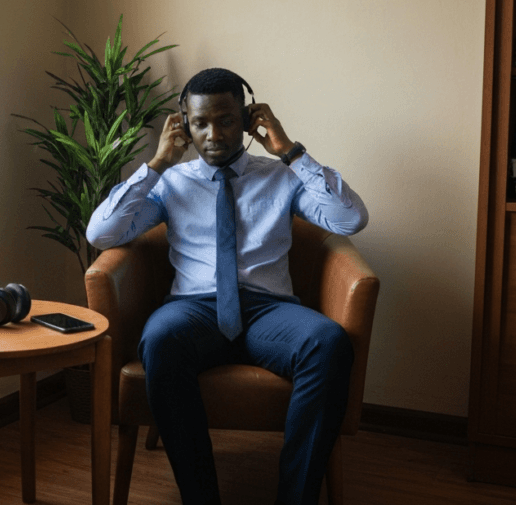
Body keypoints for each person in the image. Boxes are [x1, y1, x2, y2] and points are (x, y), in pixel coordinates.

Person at [85, 68, 368, 505]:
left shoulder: (281, 178)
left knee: (329, 343)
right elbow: (100, 234)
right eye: (200, 123)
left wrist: (291, 151)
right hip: (193, 310)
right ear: (184, 124)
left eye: (226, 120)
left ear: (249, 120)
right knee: (159, 339)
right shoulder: (171, 184)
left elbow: (350, 218)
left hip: (268, 311)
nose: (213, 133)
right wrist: (157, 163)